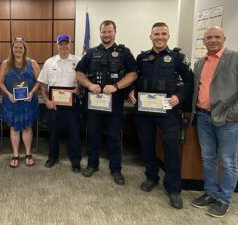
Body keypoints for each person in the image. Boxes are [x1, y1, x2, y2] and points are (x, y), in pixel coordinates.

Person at [128, 22, 194, 209]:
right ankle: (151, 177)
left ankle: (173, 189)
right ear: (150, 36)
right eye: (156, 34)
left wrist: (179, 96)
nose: (159, 37)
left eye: (163, 34)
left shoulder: (178, 58)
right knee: (147, 145)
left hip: (168, 111)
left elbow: (189, 82)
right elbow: (134, 78)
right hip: (146, 110)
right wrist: (131, 91)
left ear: (168, 36)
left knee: (171, 149)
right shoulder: (142, 58)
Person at [75, 20, 137, 184]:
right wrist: (88, 84)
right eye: (103, 32)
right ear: (100, 32)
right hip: (94, 103)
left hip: (115, 103)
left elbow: (133, 74)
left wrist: (117, 86)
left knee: (114, 137)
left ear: (115, 32)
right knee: (93, 135)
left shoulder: (124, 52)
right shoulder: (91, 52)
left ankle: (116, 169)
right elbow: (79, 73)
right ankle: (92, 164)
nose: (106, 35)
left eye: (109, 31)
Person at [190, 26, 238, 217]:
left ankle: (224, 199)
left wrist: (232, 115)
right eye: (209, 37)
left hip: (227, 120)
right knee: (208, 158)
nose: (213, 40)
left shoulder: (235, 58)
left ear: (224, 38)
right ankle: (210, 193)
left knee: (227, 162)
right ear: (204, 41)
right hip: (202, 116)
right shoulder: (199, 63)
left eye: (217, 37)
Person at [38, 34, 82, 173]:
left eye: (66, 43)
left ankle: (75, 161)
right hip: (54, 105)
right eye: (61, 44)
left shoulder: (78, 61)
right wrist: (46, 100)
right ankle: (53, 157)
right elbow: (43, 85)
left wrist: (79, 90)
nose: (63, 46)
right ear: (57, 45)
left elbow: (83, 82)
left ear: (70, 45)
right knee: (53, 133)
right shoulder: (49, 62)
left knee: (74, 133)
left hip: (72, 104)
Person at [0, 38, 40, 167]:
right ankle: (15, 154)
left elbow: (39, 81)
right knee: (14, 128)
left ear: (24, 49)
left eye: (20, 47)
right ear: (12, 49)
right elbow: (0, 82)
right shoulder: (5, 63)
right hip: (12, 101)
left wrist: (32, 92)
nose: (18, 49)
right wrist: (9, 94)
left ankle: (28, 154)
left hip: (28, 101)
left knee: (27, 127)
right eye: (15, 47)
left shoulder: (32, 63)